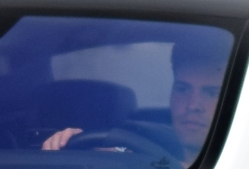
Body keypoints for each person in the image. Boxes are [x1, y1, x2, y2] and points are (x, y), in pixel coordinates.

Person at [41, 43, 227, 159]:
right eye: (182, 89)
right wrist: (69, 147)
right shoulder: (136, 152)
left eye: (212, 93)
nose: (193, 105)